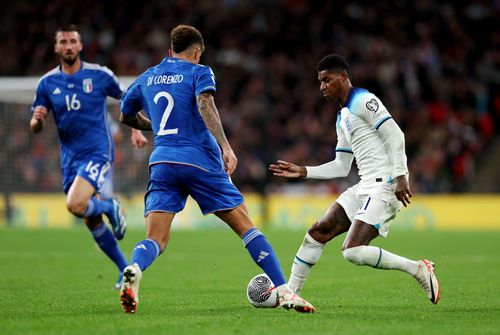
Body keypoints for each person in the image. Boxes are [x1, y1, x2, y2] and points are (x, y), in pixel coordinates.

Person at [118, 24, 315, 314]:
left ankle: (134, 268)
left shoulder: (147, 77)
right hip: (199, 161)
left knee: (156, 239)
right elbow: (205, 103)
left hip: (162, 162)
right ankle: (285, 291)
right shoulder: (199, 72)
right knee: (245, 226)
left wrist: (155, 127)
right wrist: (225, 145)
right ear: (197, 52)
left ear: (169, 50)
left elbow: (125, 114)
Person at [269, 54, 441, 305]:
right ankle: (290, 295)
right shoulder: (342, 117)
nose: (322, 87)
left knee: (352, 251)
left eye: (327, 80)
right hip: (364, 185)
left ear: (343, 77)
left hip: (386, 185)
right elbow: (341, 166)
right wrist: (305, 171)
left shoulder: (364, 100)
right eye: (320, 82)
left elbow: (395, 135)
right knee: (317, 233)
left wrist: (401, 175)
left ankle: (418, 268)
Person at [29, 24, 146, 288]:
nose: (68, 46)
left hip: (98, 152)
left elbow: (128, 99)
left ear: (80, 46)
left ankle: (110, 206)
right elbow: (35, 126)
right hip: (69, 158)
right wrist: (37, 121)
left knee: (74, 205)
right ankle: (124, 269)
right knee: (89, 217)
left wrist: (135, 131)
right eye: (63, 42)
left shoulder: (100, 75)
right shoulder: (47, 83)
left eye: (73, 41)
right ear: (56, 47)